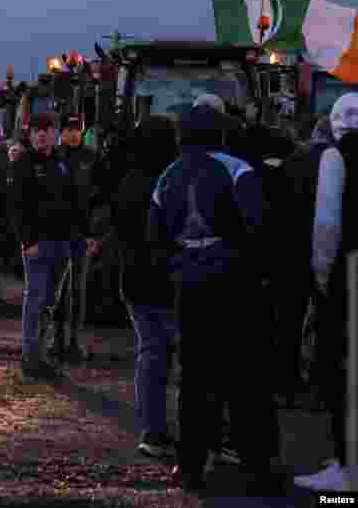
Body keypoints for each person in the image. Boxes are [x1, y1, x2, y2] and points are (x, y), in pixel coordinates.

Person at [147, 104, 278, 496]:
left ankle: (190, 467)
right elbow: (257, 228)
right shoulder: (238, 170)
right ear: (219, 132)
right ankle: (256, 467)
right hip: (235, 287)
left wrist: (179, 267)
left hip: (189, 289)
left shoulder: (167, 177)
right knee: (245, 377)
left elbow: (155, 238)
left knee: (193, 379)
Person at [293, 94, 358, 492]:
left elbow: (326, 226)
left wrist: (321, 276)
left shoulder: (336, 159)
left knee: (339, 370)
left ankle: (346, 472)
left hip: (346, 275)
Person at [113, 115, 180, 460]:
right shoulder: (171, 181)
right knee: (187, 359)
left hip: (134, 281)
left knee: (150, 354)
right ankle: (199, 433)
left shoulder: (128, 179)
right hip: (167, 282)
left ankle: (153, 431)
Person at [10, 112, 82, 379]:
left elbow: (73, 201)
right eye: (37, 130)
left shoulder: (61, 163)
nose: (41, 134)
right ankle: (31, 357)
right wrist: (27, 241)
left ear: (54, 133)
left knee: (50, 301)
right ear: (30, 135)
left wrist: (80, 234)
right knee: (36, 298)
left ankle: (39, 353)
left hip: (62, 244)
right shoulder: (23, 164)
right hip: (38, 245)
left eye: (46, 129)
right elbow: (16, 207)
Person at [274, 115, 333, 408]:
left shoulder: (294, 160)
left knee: (288, 318)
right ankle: (321, 383)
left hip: (290, 251)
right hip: (328, 250)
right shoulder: (338, 162)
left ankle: (285, 381)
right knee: (326, 319)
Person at [49, 113, 101, 360]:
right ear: (61, 131)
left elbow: (98, 198)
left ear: (82, 131)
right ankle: (56, 340)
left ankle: (75, 342)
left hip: (81, 234)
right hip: (57, 233)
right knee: (57, 290)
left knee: (78, 290)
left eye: (76, 129)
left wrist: (93, 233)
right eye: (68, 129)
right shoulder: (53, 156)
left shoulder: (91, 158)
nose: (72, 134)